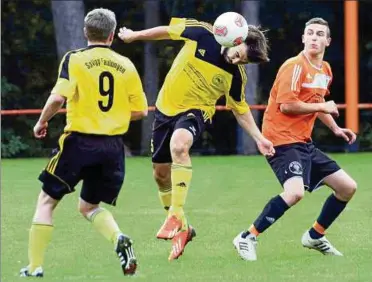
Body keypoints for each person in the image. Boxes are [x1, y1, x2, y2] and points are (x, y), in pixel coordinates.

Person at [118, 17, 275, 261]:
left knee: (179, 146)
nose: (237, 60)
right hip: (164, 109)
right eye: (238, 54)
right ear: (235, 39)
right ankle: (184, 229)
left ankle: (174, 214)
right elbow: (167, 32)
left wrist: (259, 137)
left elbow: (240, 109)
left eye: (243, 60)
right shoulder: (202, 33)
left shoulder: (235, 76)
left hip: (197, 111)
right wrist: (134, 35)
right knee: (160, 175)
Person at [20, 8, 148, 277]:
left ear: (85, 32)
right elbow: (141, 111)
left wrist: (41, 122)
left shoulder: (75, 59)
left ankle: (34, 267)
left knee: (46, 202)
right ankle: (118, 238)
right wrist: (111, 116)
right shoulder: (126, 65)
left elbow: (57, 99)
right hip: (112, 149)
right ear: (112, 35)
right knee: (89, 206)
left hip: (79, 143)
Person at [233, 17, 357, 261]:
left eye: (320, 34)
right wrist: (324, 105)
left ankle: (315, 235)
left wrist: (336, 128)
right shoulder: (294, 66)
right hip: (279, 140)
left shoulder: (326, 70)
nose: (314, 37)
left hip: (303, 142)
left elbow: (314, 105)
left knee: (347, 188)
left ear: (328, 41)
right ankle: (247, 236)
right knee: (295, 193)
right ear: (303, 38)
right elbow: (288, 106)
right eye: (309, 33)